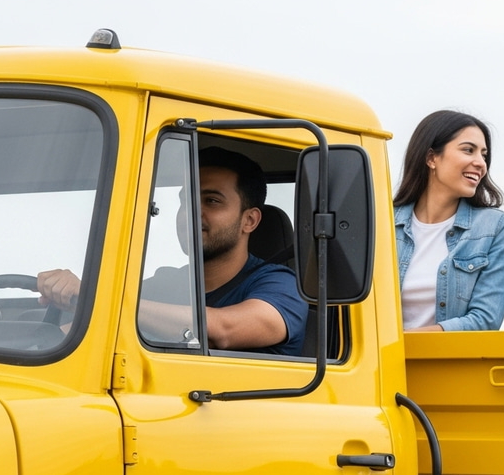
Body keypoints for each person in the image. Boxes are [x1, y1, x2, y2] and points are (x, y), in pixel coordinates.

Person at [38, 147, 309, 356]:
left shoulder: (282, 286)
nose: (191, 212)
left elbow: (221, 330)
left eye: (212, 201)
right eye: (186, 200)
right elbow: (91, 329)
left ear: (249, 220)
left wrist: (98, 298)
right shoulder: (165, 284)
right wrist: (54, 324)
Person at [393, 110, 504, 331]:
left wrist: (400, 341)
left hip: (446, 356)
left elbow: (484, 321)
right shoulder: (383, 222)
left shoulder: (494, 227)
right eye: (468, 150)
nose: (481, 163)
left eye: (484, 155)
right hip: (379, 355)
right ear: (431, 158)